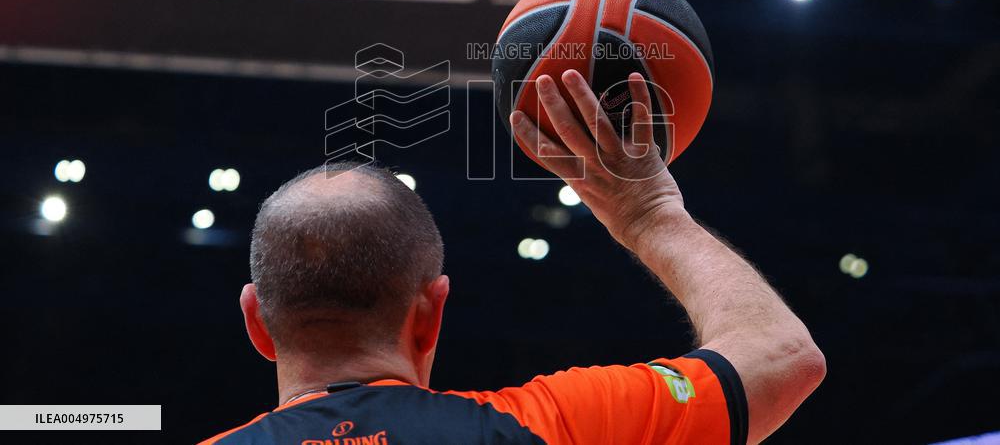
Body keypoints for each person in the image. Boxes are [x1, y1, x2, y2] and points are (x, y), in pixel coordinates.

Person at [200, 70, 825, 444]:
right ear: (430, 315)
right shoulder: (555, 427)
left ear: (257, 322)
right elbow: (783, 357)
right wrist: (649, 216)